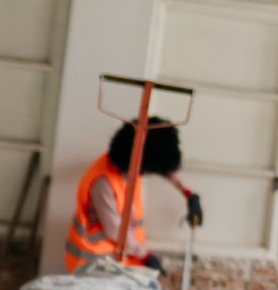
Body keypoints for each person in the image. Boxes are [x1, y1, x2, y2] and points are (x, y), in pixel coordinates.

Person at [65, 117, 203, 274]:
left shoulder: (128, 162)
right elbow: (115, 232)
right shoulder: (103, 183)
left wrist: (188, 194)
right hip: (93, 265)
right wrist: (146, 256)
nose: (147, 174)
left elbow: (164, 169)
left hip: (117, 260)